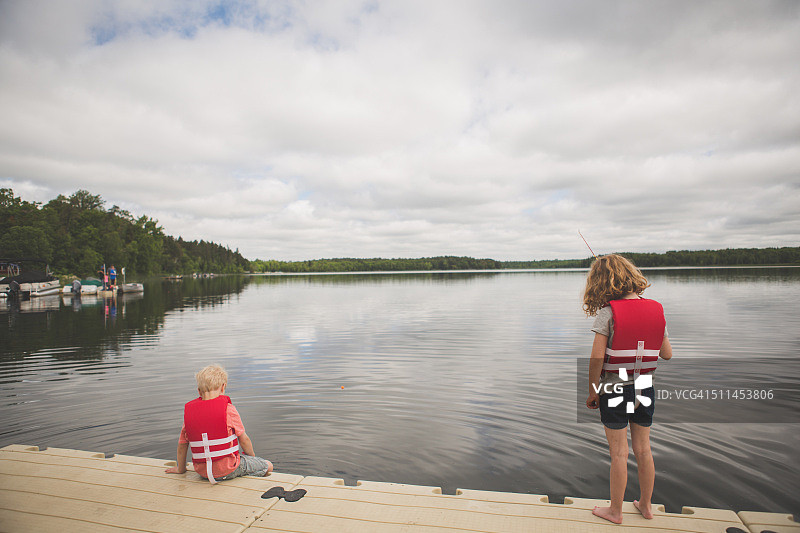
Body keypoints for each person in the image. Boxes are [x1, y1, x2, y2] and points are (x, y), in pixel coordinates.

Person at [583, 254, 673, 524]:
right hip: (645, 387)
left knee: (619, 454)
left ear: (600, 283)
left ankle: (616, 511)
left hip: (615, 390)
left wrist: (593, 391)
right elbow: (666, 354)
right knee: (643, 449)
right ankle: (646, 506)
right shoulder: (657, 309)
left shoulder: (607, 313)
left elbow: (597, 359)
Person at [165, 364, 273, 483]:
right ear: (223, 387)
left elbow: (182, 445)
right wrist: (252, 459)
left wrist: (181, 469)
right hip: (228, 470)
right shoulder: (228, 409)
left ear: (199, 391)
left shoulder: (190, 414)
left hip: (203, 472)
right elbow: (244, 440)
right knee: (268, 465)